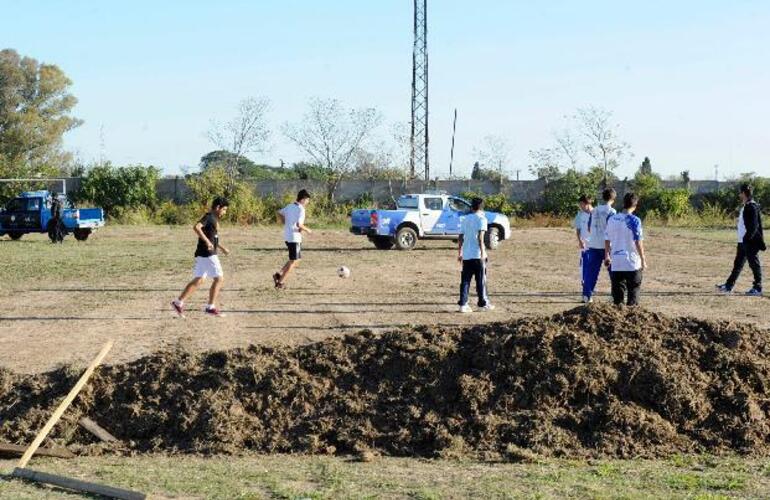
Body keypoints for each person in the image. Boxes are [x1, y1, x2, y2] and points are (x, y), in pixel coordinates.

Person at [171, 197, 231, 317]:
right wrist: (208, 243)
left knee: (199, 279)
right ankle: (210, 307)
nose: (224, 212)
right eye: (224, 209)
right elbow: (196, 227)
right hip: (207, 253)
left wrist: (221, 247)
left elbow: (212, 238)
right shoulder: (209, 217)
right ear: (218, 207)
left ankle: (178, 302)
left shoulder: (213, 219)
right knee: (219, 278)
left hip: (203, 252)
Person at [717, 183, 765, 296]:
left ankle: (758, 288)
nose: (739, 195)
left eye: (740, 193)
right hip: (742, 241)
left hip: (750, 242)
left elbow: (754, 227)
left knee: (754, 264)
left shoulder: (752, 206)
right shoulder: (747, 205)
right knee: (737, 264)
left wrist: (747, 239)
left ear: (743, 193)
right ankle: (729, 285)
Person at [604, 192, 648, 306]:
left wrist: (607, 255)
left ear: (623, 203)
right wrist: (643, 259)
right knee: (633, 294)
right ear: (635, 205)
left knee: (618, 299)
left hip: (617, 263)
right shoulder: (635, 220)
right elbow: (638, 241)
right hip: (632, 263)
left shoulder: (612, 219)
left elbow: (607, 239)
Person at [457, 197, 494, 313]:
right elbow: (480, 237)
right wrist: (483, 253)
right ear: (482, 207)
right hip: (477, 255)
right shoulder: (482, 219)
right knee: (481, 281)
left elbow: (460, 237)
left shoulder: (465, 219)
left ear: (472, 207)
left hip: (467, 255)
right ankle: (483, 303)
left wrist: (460, 252)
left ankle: (463, 304)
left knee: (465, 281)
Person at [582, 188, 617, 303]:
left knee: (591, 272)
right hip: (607, 246)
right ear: (613, 199)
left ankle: (587, 295)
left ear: (602, 197)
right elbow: (612, 229)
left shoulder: (595, 210)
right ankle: (614, 295)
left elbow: (588, 227)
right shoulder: (612, 211)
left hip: (593, 245)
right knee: (613, 272)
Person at [273, 189, 313, 289]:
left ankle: (279, 274)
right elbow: (299, 225)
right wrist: (308, 230)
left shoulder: (290, 206)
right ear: (303, 199)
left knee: (295, 259)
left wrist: (285, 222)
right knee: (294, 261)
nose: (308, 202)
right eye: (308, 200)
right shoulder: (301, 209)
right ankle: (280, 282)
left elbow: (279, 212)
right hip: (294, 237)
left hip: (288, 236)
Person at [573, 194, 593, 300]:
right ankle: (586, 294)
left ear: (587, 203)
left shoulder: (596, 214)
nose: (580, 206)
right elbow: (578, 229)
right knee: (584, 270)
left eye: (581, 204)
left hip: (596, 247)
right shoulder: (580, 215)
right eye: (579, 204)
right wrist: (580, 240)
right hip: (585, 247)